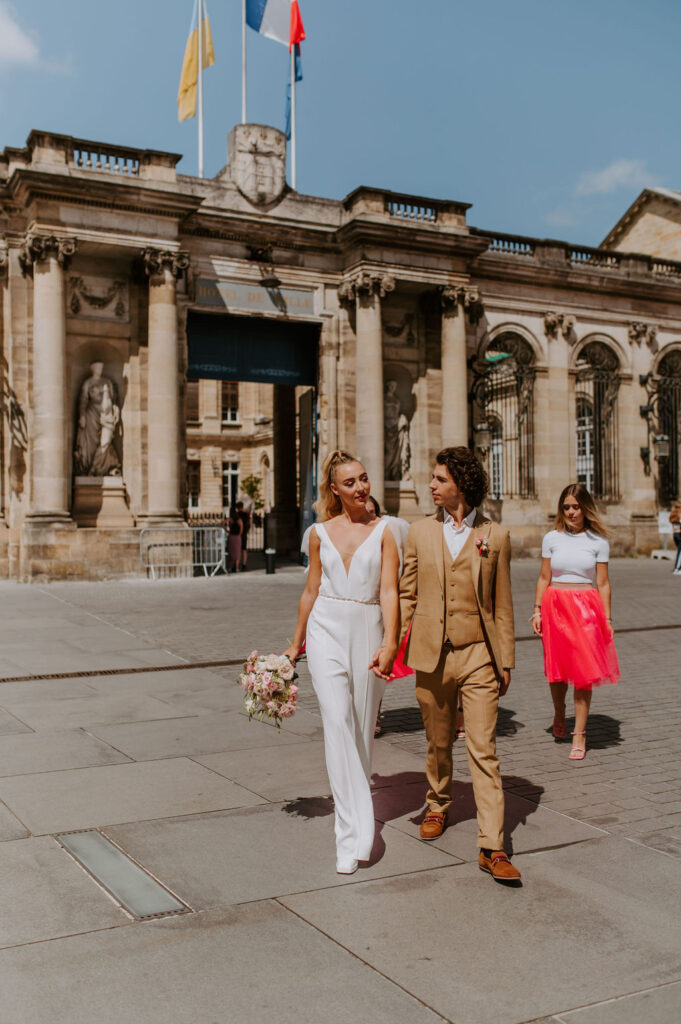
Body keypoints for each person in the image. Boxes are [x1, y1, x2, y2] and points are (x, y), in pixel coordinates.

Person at [398, 446, 521, 884]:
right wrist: (390, 645)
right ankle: (438, 804)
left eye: (439, 479)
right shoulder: (418, 533)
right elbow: (406, 595)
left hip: (479, 656)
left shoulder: (496, 536)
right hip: (431, 655)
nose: (431, 485)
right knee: (437, 740)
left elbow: (502, 605)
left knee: (484, 749)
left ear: (461, 485)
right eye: (433, 478)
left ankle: (493, 846)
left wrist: (505, 659)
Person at [283, 451, 400, 874]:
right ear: (335, 489)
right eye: (350, 482)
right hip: (326, 628)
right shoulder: (318, 533)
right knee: (335, 720)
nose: (360, 488)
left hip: (368, 626)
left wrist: (390, 643)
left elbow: (390, 592)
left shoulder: (386, 531)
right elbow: (311, 591)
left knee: (361, 730)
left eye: (364, 479)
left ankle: (355, 818)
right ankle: (350, 834)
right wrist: (294, 646)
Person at [532, 483, 620, 760]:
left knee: (584, 671)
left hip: (586, 608)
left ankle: (579, 733)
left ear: (585, 508)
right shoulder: (551, 538)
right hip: (554, 606)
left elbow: (603, 584)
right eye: (566, 507)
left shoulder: (598, 542)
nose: (571, 512)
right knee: (557, 670)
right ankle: (559, 713)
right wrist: (536, 610)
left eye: (576, 506)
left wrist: (606, 618)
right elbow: (544, 577)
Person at [227, 506, 242, 573]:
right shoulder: (239, 520)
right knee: (237, 553)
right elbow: (241, 530)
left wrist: (227, 531)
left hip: (231, 537)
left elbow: (222, 523)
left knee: (231, 552)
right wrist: (239, 534)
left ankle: (229, 568)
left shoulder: (230, 519)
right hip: (237, 537)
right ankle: (236, 567)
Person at [236, 501, 251, 571]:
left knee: (238, 550)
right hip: (244, 533)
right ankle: (244, 564)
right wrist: (247, 530)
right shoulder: (246, 514)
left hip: (237, 534)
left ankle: (237, 565)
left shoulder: (236, 515)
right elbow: (250, 523)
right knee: (244, 549)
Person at [671, 501, 681, 575]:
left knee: (679, 552)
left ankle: (678, 568)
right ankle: (677, 568)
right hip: (679, 534)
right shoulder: (679, 514)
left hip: (675, 533)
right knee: (680, 553)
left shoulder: (673, 514)